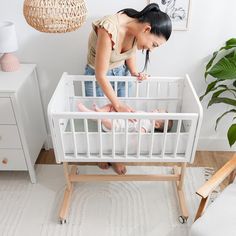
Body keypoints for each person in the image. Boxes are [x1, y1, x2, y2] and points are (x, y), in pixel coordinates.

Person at [84, 3, 172, 174]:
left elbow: (129, 53)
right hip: (99, 77)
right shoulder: (109, 29)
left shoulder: (136, 28)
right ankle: (101, 154)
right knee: (102, 119)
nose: (151, 50)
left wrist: (134, 73)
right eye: (154, 44)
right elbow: (100, 75)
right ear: (147, 29)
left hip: (120, 75)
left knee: (121, 123)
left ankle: (115, 156)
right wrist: (117, 105)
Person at [78, 102, 173, 133]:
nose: (155, 109)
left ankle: (89, 112)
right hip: (119, 116)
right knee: (111, 105)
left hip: (117, 125)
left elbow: (141, 132)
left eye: (157, 112)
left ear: (156, 124)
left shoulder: (147, 124)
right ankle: (99, 112)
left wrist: (135, 138)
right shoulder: (146, 115)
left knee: (105, 119)